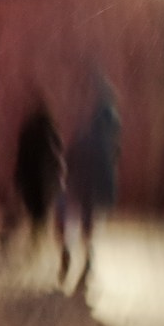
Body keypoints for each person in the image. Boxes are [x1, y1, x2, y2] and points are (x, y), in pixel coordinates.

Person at [62, 83, 121, 290]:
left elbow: (71, 158)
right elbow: (111, 165)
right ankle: (84, 260)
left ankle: (75, 255)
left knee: (71, 221)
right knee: (85, 226)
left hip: (81, 186)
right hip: (91, 188)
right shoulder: (107, 141)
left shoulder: (87, 136)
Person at [11, 102, 63, 262]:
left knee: (34, 212)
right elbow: (58, 157)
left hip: (31, 178)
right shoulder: (52, 132)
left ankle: (34, 243)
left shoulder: (29, 131)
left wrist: (18, 178)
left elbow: (21, 156)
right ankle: (36, 243)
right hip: (45, 180)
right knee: (40, 214)